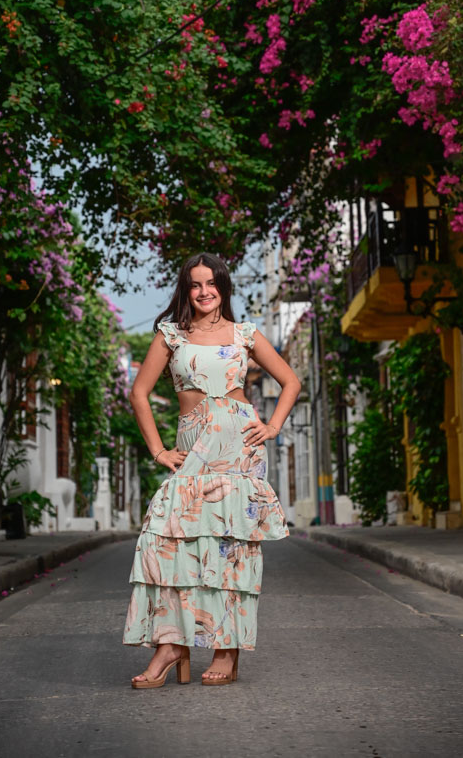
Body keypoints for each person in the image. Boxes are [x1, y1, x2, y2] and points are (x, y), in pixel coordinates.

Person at [122, 252, 301, 688]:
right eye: (195, 285)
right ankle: (172, 643)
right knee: (167, 545)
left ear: (223, 286)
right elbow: (139, 393)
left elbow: (291, 381)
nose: (203, 292)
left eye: (211, 283)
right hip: (193, 450)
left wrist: (273, 425)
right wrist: (159, 449)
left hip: (239, 447)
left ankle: (227, 648)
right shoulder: (171, 335)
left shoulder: (244, 334)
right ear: (186, 290)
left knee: (231, 549)